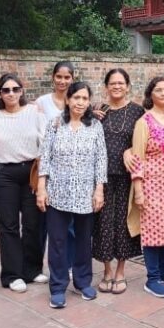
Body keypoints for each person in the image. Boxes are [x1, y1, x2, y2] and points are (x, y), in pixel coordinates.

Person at [36, 81, 107, 309]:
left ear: (89, 102)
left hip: (86, 194)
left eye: (84, 99)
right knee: (57, 241)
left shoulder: (95, 126)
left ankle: (82, 281)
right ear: (67, 100)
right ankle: (57, 287)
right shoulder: (55, 124)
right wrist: (41, 187)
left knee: (83, 240)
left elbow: (101, 159)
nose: (80, 102)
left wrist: (99, 190)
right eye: (76, 98)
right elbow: (45, 158)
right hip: (58, 193)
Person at [127, 77, 164, 298]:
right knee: (153, 231)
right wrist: (139, 190)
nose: (163, 93)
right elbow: (137, 158)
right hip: (152, 185)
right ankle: (152, 279)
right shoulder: (144, 122)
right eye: (158, 90)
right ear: (150, 94)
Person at [0, 73, 48, 292]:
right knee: (8, 225)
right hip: (4, 174)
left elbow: (45, 143)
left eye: (15, 89)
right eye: (6, 90)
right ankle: (12, 274)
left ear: (22, 91)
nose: (11, 93)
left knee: (33, 223)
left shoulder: (34, 112)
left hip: (31, 170)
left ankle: (32, 269)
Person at [92, 68, 145, 295]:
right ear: (106, 87)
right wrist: (91, 117)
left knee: (123, 223)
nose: (116, 87)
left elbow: (144, 140)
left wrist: (131, 151)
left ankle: (121, 271)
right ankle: (106, 270)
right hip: (101, 177)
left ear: (127, 86)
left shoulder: (137, 112)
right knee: (103, 223)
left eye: (121, 83)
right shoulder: (98, 112)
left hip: (126, 176)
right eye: (112, 83)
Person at [36, 61, 77, 269]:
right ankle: (41, 265)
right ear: (53, 77)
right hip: (49, 168)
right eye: (59, 77)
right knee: (47, 221)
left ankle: (68, 265)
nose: (62, 81)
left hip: (73, 171)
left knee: (70, 223)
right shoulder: (41, 103)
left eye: (67, 77)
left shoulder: (77, 101)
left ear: (73, 79)